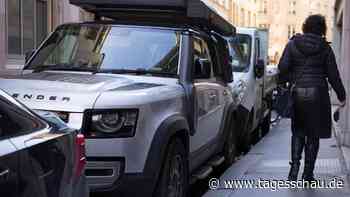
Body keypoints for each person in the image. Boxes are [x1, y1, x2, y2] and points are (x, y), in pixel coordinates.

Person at [278, 14, 347, 181]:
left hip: (298, 94)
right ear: (322, 29)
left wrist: (289, 81)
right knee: (313, 135)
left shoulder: (293, 44)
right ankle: (308, 174)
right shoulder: (325, 48)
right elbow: (333, 75)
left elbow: (283, 67)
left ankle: (293, 171)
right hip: (318, 95)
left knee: (298, 132)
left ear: (305, 26)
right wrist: (342, 95)